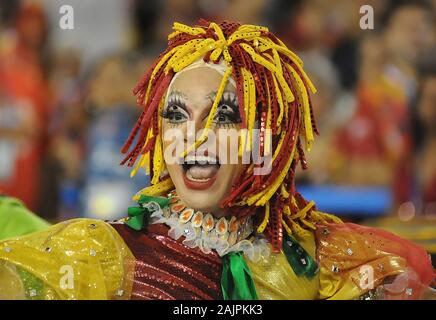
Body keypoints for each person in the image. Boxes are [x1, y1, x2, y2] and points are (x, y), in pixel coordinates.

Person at [0, 20, 434, 300]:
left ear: (266, 139)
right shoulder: (103, 254)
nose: (193, 135)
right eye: (175, 115)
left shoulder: (319, 257)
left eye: (223, 115)